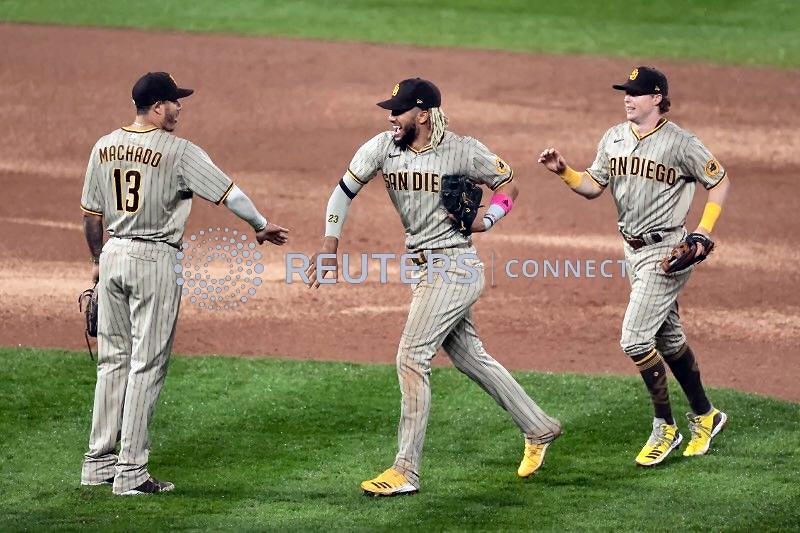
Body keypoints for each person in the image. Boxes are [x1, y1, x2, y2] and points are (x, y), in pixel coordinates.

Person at [306, 78, 561, 496]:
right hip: (425, 270)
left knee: (411, 358)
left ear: (423, 115)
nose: (391, 118)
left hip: (455, 267)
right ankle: (539, 426)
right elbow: (342, 193)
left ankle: (405, 470)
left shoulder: (463, 150)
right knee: (471, 357)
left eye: (399, 111)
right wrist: (329, 245)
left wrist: (488, 219)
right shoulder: (382, 148)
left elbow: (508, 184)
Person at [79, 72, 288, 495]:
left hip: (114, 253)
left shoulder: (104, 146)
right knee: (146, 364)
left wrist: (98, 262)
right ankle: (131, 471)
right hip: (155, 259)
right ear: (158, 107)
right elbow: (230, 194)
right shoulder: (179, 151)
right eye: (175, 102)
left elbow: (91, 217)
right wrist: (260, 225)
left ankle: (98, 463)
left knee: (112, 362)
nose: (180, 108)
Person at [538, 66, 730, 467]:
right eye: (625, 92)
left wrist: (703, 231)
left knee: (635, 340)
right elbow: (593, 185)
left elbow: (719, 182)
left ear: (657, 98)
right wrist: (564, 172)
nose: (628, 98)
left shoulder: (680, 143)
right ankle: (707, 415)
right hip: (633, 252)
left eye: (636, 93)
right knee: (668, 340)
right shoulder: (613, 137)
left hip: (668, 252)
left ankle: (665, 427)